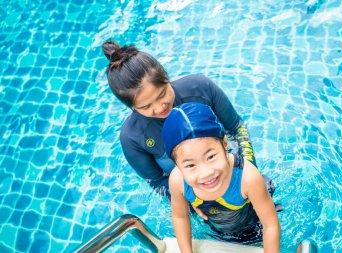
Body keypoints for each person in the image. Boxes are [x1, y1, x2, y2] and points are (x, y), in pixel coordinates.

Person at [102, 41, 255, 199]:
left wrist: (247, 171)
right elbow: (157, 181)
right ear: (133, 107)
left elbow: (237, 129)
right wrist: (195, 201)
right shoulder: (132, 137)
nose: (160, 107)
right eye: (146, 107)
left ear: (167, 78)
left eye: (162, 94)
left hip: (230, 170)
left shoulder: (200, 88)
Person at [162, 103, 281, 252]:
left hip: (253, 227)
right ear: (177, 165)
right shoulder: (177, 180)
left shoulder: (248, 178)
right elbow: (180, 217)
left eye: (211, 156)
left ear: (225, 143)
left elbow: (270, 225)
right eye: (190, 165)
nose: (206, 173)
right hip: (217, 228)